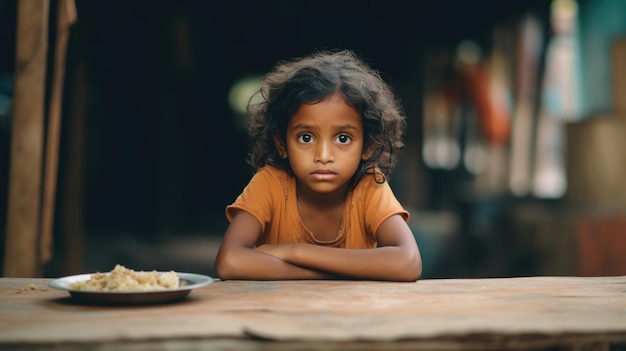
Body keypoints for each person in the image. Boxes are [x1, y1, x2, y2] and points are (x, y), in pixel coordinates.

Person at [215, 50, 422, 281]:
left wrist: (295, 251)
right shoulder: (270, 183)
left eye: (343, 138)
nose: (323, 156)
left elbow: (408, 263)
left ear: (368, 147)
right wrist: (328, 273)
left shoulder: (368, 187)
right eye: (306, 138)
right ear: (282, 143)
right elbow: (229, 262)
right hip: (277, 314)